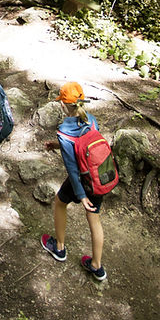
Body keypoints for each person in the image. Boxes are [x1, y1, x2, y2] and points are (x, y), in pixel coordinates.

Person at [40, 82, 107, 282]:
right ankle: (97, 266)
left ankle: (59, 248)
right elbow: (84, 145)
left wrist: (81, 195)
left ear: (63, 105)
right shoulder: (92, 120)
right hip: (99, 176)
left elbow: (72, 166)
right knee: (94, 218)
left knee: (60, 202)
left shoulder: (64, 131)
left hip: (81, 180)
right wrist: (56, 145)